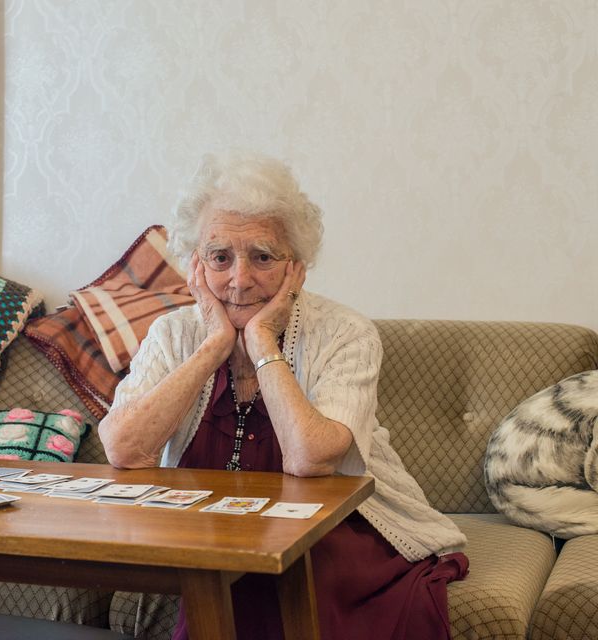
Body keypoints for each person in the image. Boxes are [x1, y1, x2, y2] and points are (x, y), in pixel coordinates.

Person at [98, 150, 469, 640]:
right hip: (218, 536)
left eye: (263, 257)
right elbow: (124, 448)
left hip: (339, 534)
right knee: (228, 569)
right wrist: (213, 346)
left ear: (296, 266)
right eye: (220, 257)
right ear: (196, 265)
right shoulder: (173, 336)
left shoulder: (345, 334)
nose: (240, 278)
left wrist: (261, 342)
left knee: (263, 576)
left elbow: (310, 459)